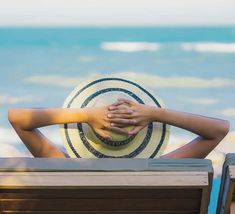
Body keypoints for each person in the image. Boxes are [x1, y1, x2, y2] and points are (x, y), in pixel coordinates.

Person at [8, 98, 230, 158]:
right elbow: (218, 130)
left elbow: (17, 119)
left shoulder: (65, 170)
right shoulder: (160, 174)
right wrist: (156, 113)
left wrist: (85, 114)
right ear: (142, 135)